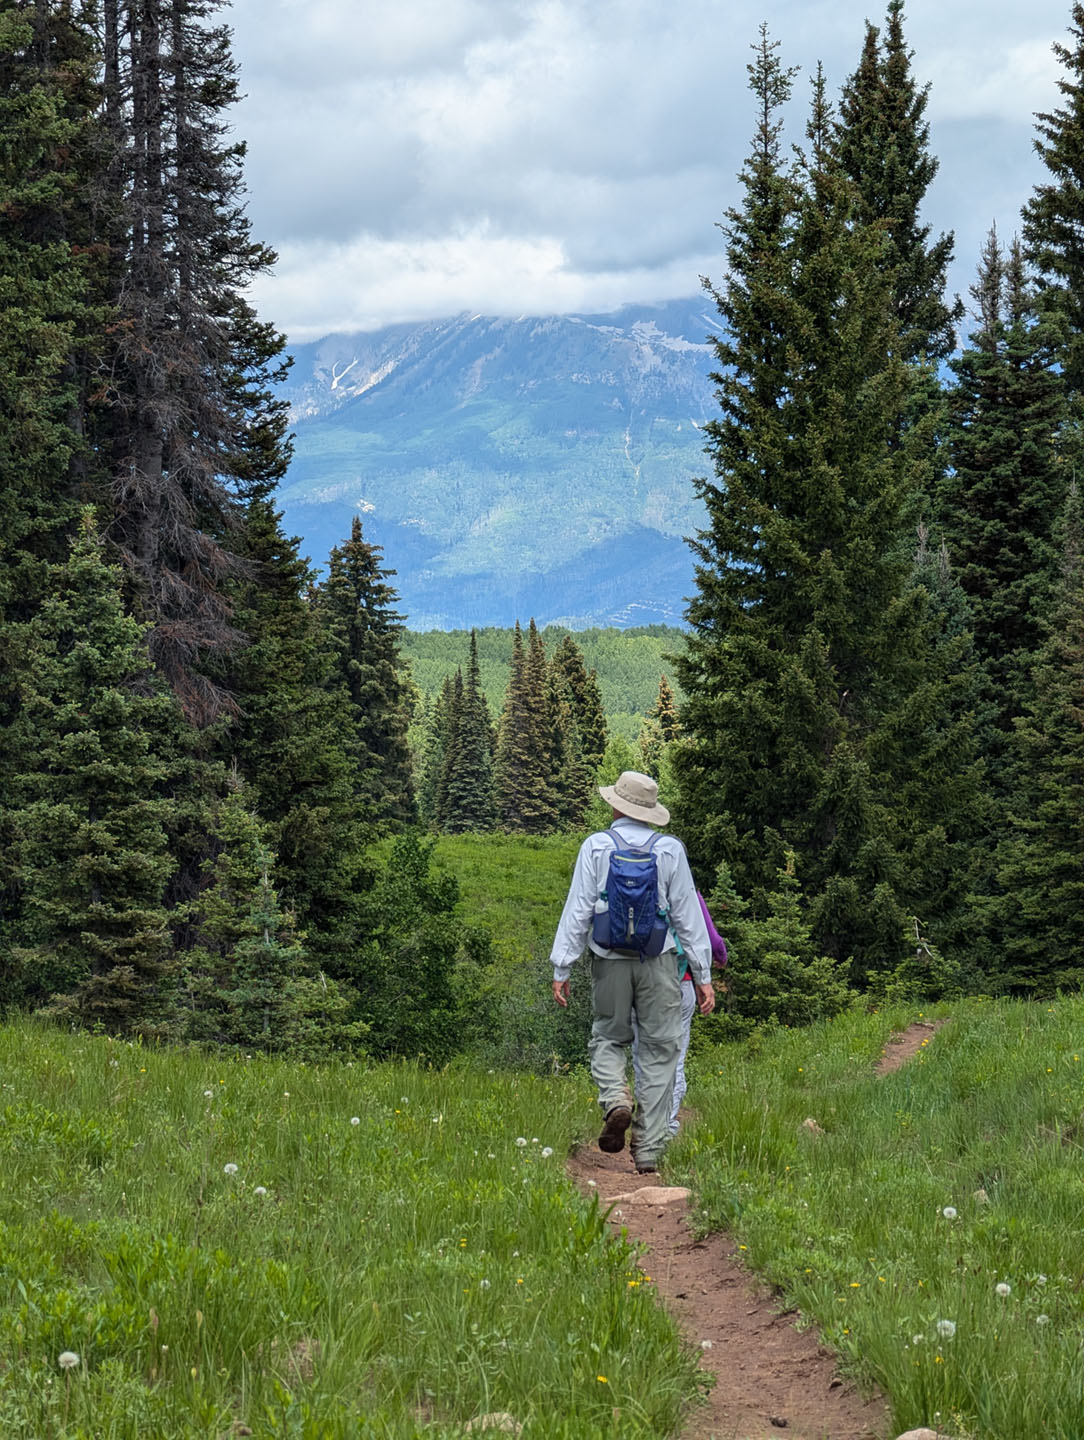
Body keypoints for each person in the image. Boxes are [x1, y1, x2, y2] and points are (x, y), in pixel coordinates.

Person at [550, 770, 715, 1173]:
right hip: (658, 961)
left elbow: (578, 910)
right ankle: (648, 1151)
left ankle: (616, 1101)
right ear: (649, 812)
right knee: (661, 1051)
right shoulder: (670, 850)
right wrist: (703, 974)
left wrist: (562, 965)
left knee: (607, 1036)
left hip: (608, 958)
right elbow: (688, 917)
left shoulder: (596, 846)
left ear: (614, 805)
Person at [632, 890, 728, 1136]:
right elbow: (710, 939)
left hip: (640, 985)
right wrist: (719, 958)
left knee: (643, 1055)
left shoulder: (636, 890)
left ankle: (646, 1123)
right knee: (675, 1058)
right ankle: (666, 1128)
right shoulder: (687, 894)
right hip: (679, 984)